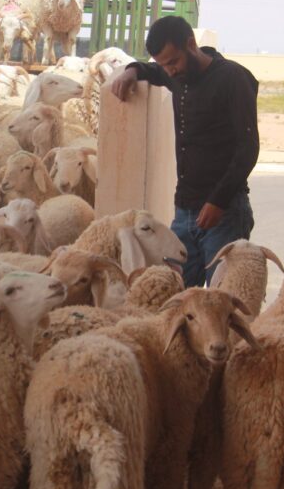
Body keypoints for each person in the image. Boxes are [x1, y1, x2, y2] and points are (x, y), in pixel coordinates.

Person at [111, 16, 260, 288]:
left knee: (220, 302)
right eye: (164, 64)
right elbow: (153, 70)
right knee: (175, 296)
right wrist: (132, 70)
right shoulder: (176, 74)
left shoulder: (233, 78)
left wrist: (219, 201)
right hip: (184, 212)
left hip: (224, 213)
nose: (169, 71)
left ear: (191, 44)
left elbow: (248, 147)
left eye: (173, 62)